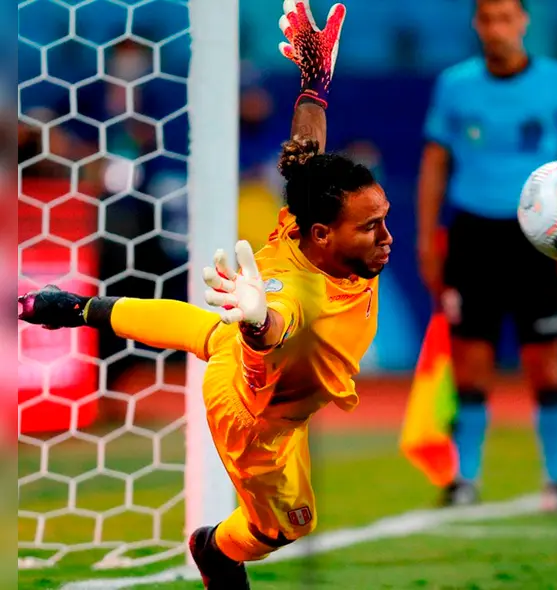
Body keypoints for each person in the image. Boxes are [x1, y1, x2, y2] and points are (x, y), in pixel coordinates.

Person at [16, 3, 394, 587]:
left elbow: (307, 159)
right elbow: (279, 322)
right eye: (371, 227)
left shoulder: (305, 225)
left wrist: (313, 86)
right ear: (325, 236)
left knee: (206, 332)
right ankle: (214, 548)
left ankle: (77, 308)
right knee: (285, 527)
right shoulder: (301, 298)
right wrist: (257, 320)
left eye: (382, 220)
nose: (385, 237)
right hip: (255, 412)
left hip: (264, 369)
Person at [416, 0, 557, 510]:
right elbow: (434, 164)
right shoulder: (455, 85)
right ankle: (464, 481)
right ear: (476, 24)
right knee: (471, 364)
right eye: (486, 19)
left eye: (505, 18)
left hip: (540, 237)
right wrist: (427, 238)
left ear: (524, 23)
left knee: (549, 365)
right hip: (473, 234)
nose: (496, 28)